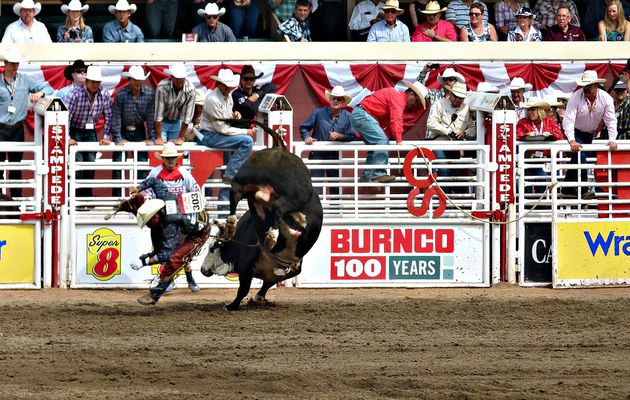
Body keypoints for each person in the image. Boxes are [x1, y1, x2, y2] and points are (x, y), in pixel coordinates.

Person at [130, 143, 204, 296]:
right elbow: (148, 193)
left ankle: (187, 277)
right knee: (167, 249)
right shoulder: (155, 173)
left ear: (176, 159)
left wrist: (191, 204)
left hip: (181, 217)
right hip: (164, 218)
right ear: (163, 159)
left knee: (182, 250)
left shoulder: (184, 173)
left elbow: (195, 189)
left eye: (173, 158)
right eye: (168, 159)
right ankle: (171, 279)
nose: (171, 161)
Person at [196, 68, 255, 208]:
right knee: (247, 141)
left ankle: (223, 206)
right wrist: (245, 132)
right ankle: (230, 175)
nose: (229, 88)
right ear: (220, 84)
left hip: (216, 134)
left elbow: (224, 122)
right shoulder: (213, 100)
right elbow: (221, 128)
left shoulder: (226, 96)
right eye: (226, 85)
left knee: (229, 167)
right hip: (210, 135)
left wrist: (234, 115)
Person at [350, 81, 428, 183]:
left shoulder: (396, 95)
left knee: (375, 147)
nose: (415, 104)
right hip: (363, 115)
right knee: (382, 141)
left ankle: (366, 178)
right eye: (417, 101)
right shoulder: (399, 99)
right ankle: (378, 174)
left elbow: (390, 121)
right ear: (412, 94)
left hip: (361, 114)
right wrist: (399, 141)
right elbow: (396, 119)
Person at [0, 48, 52, 198]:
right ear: (6, 63)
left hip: (17, 128)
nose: (15, 66)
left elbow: (48, 87)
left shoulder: (25, 79)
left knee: (16, 166)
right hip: (1, 128)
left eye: (17, 63)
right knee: (0, 166)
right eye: (12, 63)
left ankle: (15, 200)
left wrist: (40, 93)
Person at [561, 70, 618, 198]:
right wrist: (571, 140)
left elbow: (611, 120)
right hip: (576, 131)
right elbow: (568, 120)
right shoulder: (575, 97)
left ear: (596, 86)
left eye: (589, 87)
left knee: (579, 157)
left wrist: (612, 138)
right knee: (580, 155)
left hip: (589, 133)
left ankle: (567, 187)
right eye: (584, 87)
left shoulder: (606, 98)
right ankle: (584, 189)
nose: (586, 90)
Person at [66, 66, 113, 200]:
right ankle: (75, 199)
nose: (95, 85)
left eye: (97, 82)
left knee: (91, 165)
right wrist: (68, 137)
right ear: (86, 81)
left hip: (91, 130)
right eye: (93, 82)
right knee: (77, 164)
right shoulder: (75, 94)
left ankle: (86, 198)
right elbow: (66, 117)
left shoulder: (104, 94)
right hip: (75, 130)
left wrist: (105, 136)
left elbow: (109, 115)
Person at [300, 86, 357, 196]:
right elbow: (304, 127)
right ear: (330, 99)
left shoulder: (348, 116)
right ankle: (317, 212)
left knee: (335, 187)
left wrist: (340, 136)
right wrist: (307, 137)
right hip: (317, 154)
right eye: (333, 98)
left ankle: (336, 210)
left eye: (338, 99)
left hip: (334, 155)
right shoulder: (318, 113)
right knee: (316, 188)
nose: (335, 101)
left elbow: (353, 135)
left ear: (343, 101)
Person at [111, 65, 156, 196]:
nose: (137, 82)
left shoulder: (149, 94)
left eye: (139, 80)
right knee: (118, 165)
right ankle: (117, 197)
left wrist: (151, 138)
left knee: (142, 165)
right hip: (123, 130)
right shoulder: (121, 95)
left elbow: (150, 117)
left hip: (139, 130)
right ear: (129, 79)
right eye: (134, 79)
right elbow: (116, 117)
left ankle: (141, 196)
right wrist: (118, 137)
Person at [426, 82, 475, 193]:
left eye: (461, 98)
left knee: (451, 172)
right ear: (451, 94)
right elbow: (431, 123)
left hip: (455, 146)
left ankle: (444, 198)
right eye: (456, 96)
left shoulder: (466, 109)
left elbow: (472, 129)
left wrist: (464, 133)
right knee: (443, 168)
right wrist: (448, 131)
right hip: (439, 143)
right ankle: (445, 200)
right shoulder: (439, 104)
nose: (458, 100)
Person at [516, 97, 564, 193]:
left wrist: (550, 135)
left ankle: (542, 205)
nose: (530, 112)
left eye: (533, 109)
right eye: (528, 110)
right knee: (526, 184)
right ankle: (527, 205)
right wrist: (525, 135)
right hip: (528, 158)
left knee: (543, 182)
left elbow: (560, 136)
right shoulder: (523, 122)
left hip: (545, 158)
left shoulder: (549, 121)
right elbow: (516, 136)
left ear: (539, 110)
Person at [154, 62, 196, 145]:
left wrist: (180, 138)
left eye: (182, 78)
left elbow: (187, 117)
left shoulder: (191, 89)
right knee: (162, 148)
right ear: (171, 77)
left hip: (177, 121)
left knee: (174, 150)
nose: (180, 81)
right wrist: (158, 137)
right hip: (163, 121)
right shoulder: (162, 87)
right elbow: (158, 115)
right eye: (177, 78)